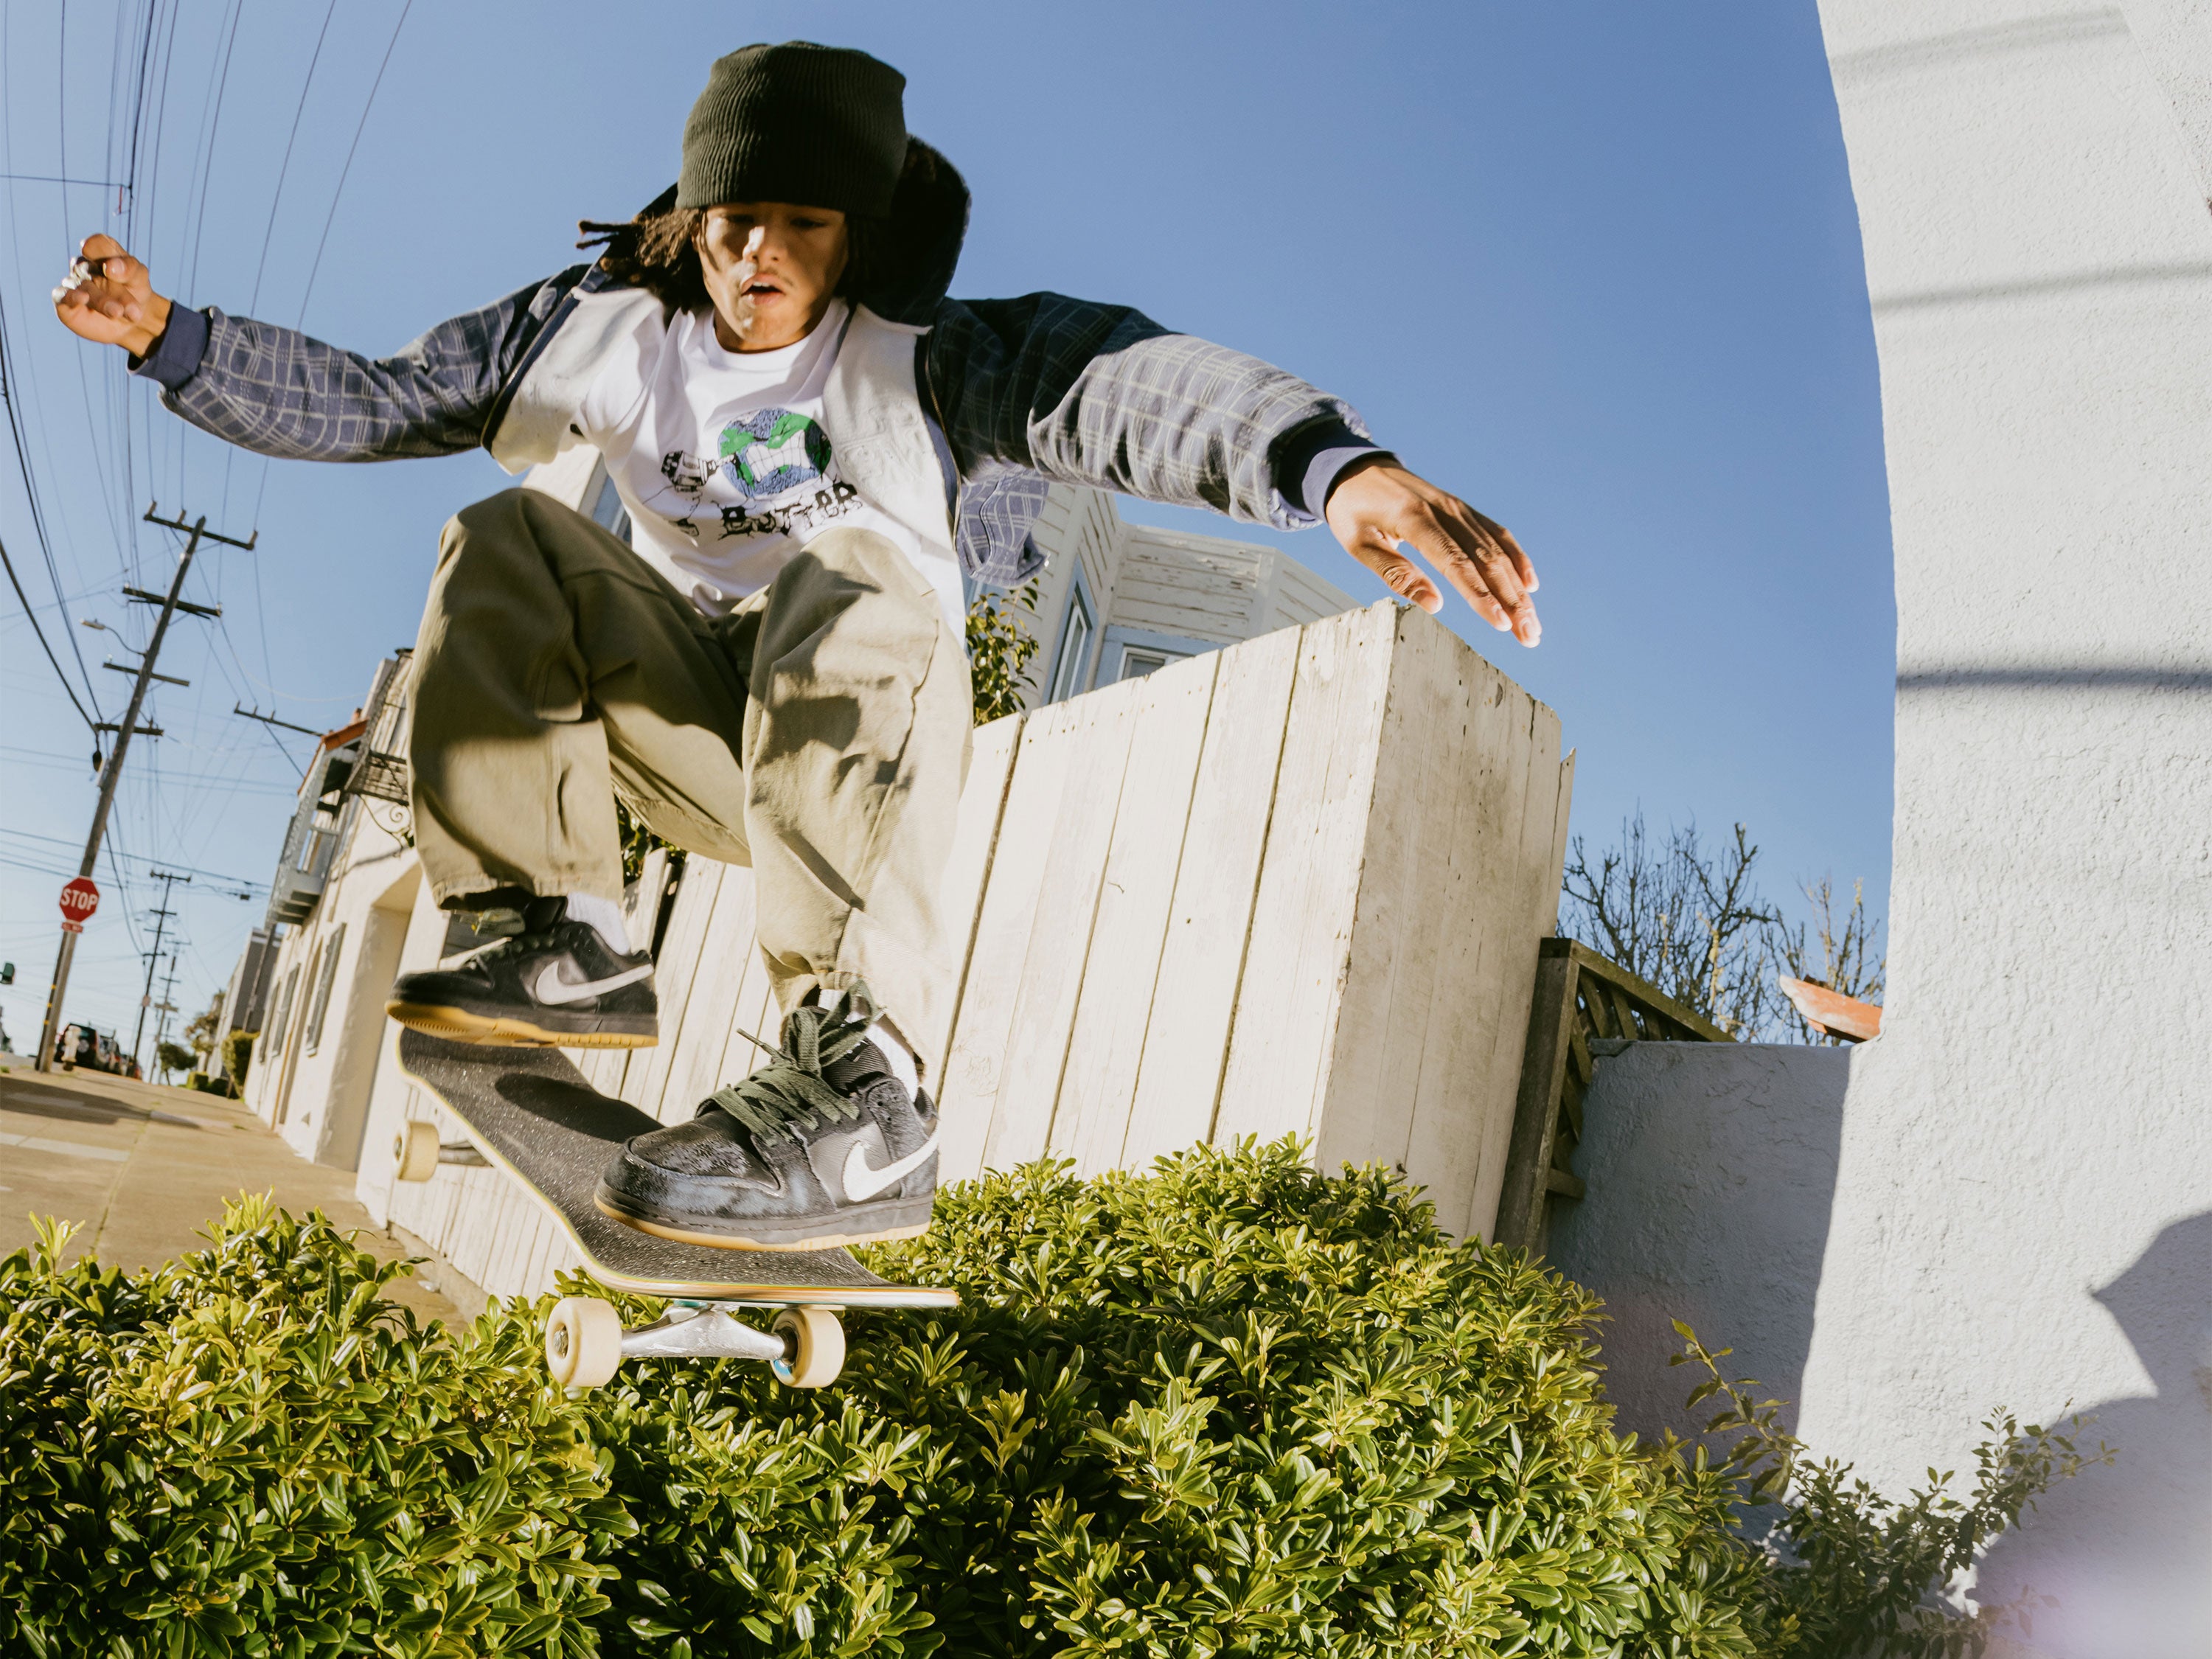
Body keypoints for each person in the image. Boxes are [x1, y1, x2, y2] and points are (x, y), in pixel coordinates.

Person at [53, 41, 1541, 1252]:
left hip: (859, 730)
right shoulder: (600, 335)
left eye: (804, 225)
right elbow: (383, 396)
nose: (760, 252)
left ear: (858, 237)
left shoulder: (936, 359)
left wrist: (1328, 467)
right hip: (691, 730)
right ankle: (556, 933)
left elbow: (1123, 385)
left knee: (853, 570)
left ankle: (860, 1086)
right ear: (689, 216)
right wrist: (171, 335)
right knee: (505, 537)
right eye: (735, 218)